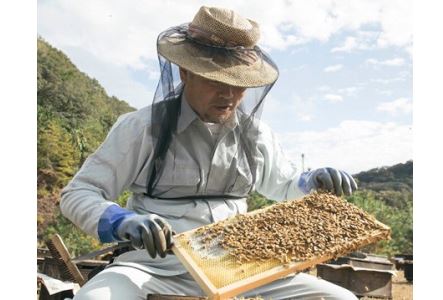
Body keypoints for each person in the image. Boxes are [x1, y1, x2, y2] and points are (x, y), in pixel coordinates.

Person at [61, 6, 358, 300]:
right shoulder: (141, 127)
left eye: (237, 84)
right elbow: (79, 192)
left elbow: (285, 185)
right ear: (186, 73)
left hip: (242, 266)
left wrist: (312, 183)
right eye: (216, 80)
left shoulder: (256, 135)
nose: (228, 94)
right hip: (154, 269)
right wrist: (120, 220)